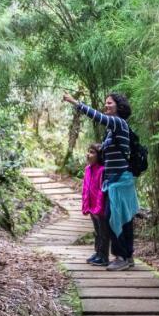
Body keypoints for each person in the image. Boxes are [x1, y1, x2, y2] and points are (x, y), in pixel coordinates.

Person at [63, 91, 138, 270]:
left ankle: (122, 257)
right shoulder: (111, 131)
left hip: (121, 181)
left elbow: (97, 116)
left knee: (115, 218)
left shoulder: (118, 123)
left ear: (119, 107)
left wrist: (75, 102)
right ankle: (127, 256)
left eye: (110, 103)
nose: (106, 106)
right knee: (119, 218)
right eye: (106, 103)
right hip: (114, 181)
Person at [80, 142, 111, 265]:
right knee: (97, 231)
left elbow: (101, 191)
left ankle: (104, 256)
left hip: (100, 207)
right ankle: (98, 252)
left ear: (99, 156)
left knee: (103, 231)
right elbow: (85, 188)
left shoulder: (102, 170)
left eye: (92, 152)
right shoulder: (88, 169)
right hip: (91, 206)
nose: (88, 154)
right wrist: (85, 205)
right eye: (88, 151)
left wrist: (99, 207)